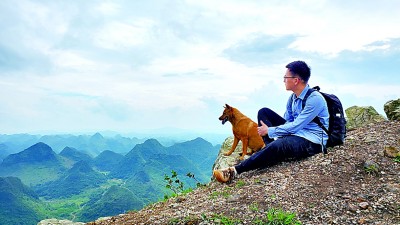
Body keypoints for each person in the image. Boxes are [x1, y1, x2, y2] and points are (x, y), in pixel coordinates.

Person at [213, 60, 329, 183]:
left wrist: (270, 131)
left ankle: (233, 171)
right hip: (296, 133)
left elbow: (296, 126)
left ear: (296, 80)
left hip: (312, 141)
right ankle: (270, 150)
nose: (284, 80)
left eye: (286, 77)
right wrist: (275, 133)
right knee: (263, 112)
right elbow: (288, 121)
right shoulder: (293, 98)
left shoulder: (315, 99)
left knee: (279, 145)